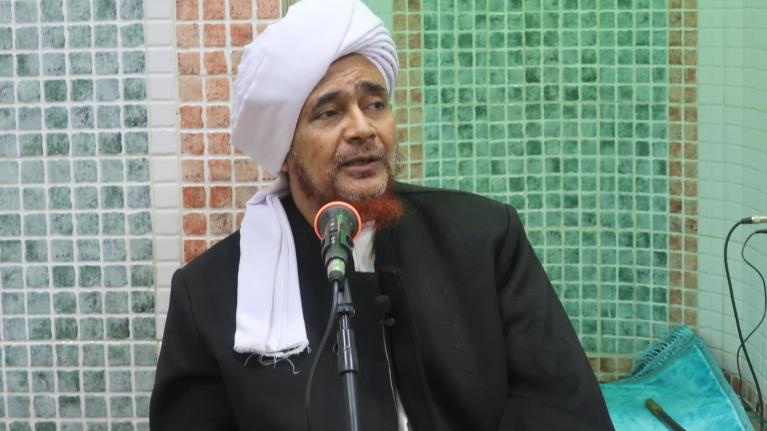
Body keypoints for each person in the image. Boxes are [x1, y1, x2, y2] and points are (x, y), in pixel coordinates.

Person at [150, 0, 614, 429]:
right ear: (285, 152)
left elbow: (562, 410)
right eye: (329, 113)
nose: (362, 128)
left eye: (375, 105)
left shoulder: (484, 239)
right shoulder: (210, 297)